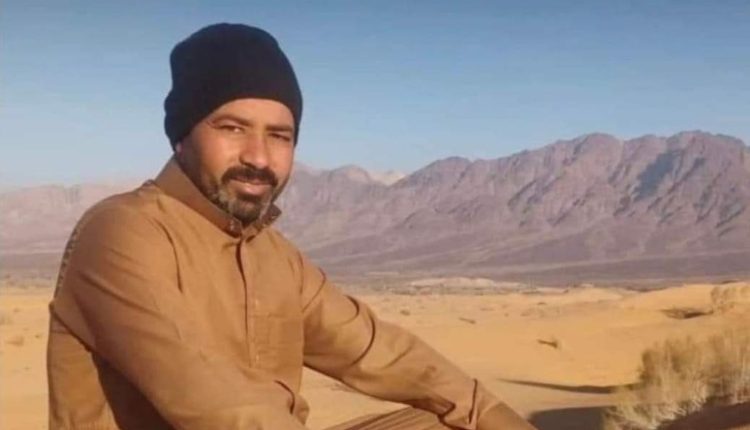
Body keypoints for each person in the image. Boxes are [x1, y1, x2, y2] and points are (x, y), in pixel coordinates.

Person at [47, 23, 536, 430]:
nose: (259, 157)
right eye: (232, 128)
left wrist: (488, 412)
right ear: (181, 137)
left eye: (279, 136)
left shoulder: (273, 255)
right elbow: (218, 405)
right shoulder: (121, 233)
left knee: (448, 422)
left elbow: (376, 350)